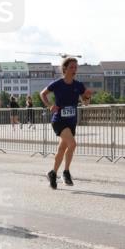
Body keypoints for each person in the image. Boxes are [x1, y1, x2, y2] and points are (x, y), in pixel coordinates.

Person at [40, 58, 94, 189]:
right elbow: (43, 93)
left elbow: (86, 103)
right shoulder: (58, 83)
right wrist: (49, 106)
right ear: (64, 69)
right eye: (71, 67)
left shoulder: (78, 85)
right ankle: (66, 172)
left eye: (76, 67)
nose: (74, 70)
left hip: (71, 121)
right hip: (59, 120)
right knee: (73, 144)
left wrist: (87, 96)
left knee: (62, 149)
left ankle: (53, 173)